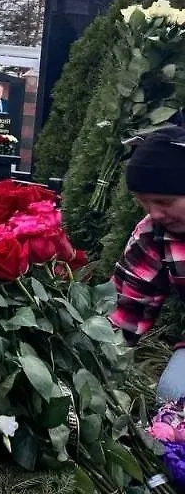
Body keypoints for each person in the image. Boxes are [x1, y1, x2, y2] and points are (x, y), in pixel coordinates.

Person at [110, 126, 185, 400]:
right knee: (175, 392)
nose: (155, 213)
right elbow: (128, 309)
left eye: (164, 201)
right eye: (145, 202)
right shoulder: (153, 235)